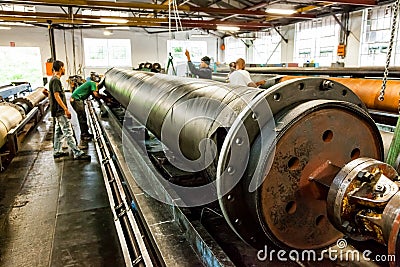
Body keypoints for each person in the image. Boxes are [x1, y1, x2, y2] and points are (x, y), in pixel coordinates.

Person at [48, 60, 91, 160]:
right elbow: (56, 96)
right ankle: (77, 152)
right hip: (60, 111)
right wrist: (66, 109)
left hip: (57, 110)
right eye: (63, 67)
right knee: (68, 130)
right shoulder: (56, 80)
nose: (64, 69)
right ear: (60, 68)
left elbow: (51, 95)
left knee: (59, 132)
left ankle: (57, 151)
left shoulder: (54, 80)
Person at [70, 72, 104, 144]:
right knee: (82, 117)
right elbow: (96, 94)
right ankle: (84, 135)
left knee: (83, 116)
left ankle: (86, 133)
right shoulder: (93, 84)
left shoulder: (90, 83)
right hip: (77, 100)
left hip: (76, 99)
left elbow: (94, 95)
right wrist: (104, 98)